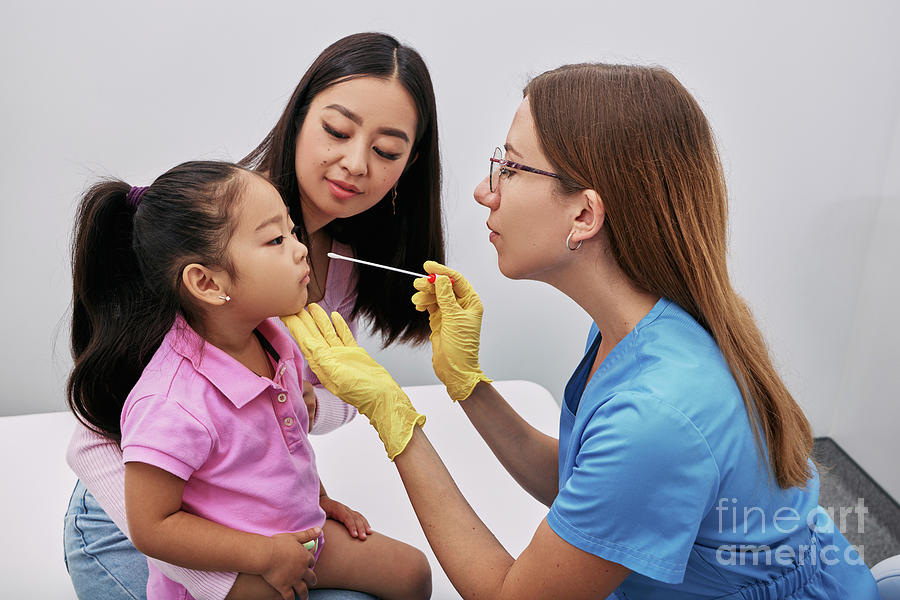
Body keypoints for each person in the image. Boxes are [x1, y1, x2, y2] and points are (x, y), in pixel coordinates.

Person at [283, 63, 880, 598]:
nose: (484, 191)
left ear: (585, 214)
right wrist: (467, 385)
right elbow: (584, 482)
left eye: (510, 169)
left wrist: (394, 415)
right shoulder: (640, 330)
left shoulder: (658, 412)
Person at [63, 32, 443, 600]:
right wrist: (236, 575)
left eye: (387, 151)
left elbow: (297, 405)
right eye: (337, 131)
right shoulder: (207, 240)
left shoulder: (339, 264)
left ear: (408, 169)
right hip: (136, 529)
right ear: (298, 119)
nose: (355, 163)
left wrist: (311, 480)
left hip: (258, 521)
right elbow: (98, 446)